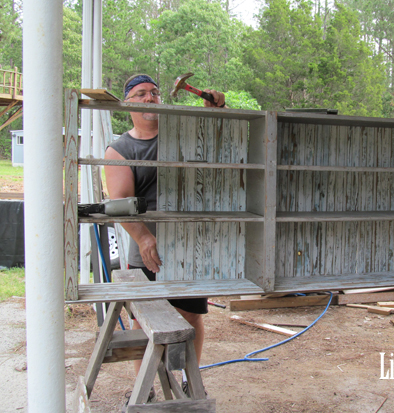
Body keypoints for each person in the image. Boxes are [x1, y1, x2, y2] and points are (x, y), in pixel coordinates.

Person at [104, 74, 226, 394]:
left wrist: (214, 109)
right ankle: (145, 387)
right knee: (146, 320)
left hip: (188, 246)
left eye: (154, 94)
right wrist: (144, 238)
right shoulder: (120, 149)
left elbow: (213, 139)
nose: (149, 98)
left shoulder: (180, 137)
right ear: (128, 102)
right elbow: (119, 204)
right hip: (148, 249)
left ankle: (188, 380)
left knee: (191, 315)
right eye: (141, 94)